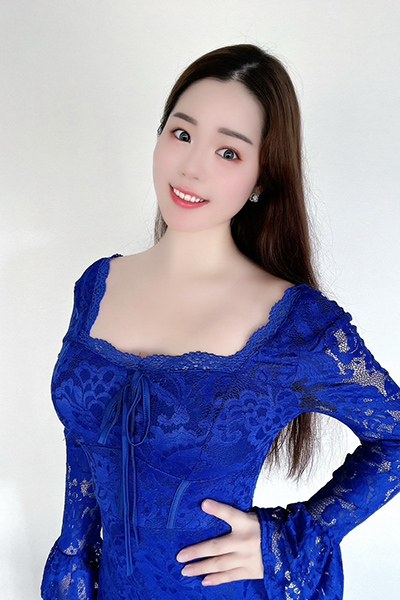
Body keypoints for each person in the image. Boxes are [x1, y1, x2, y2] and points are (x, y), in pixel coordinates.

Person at [40, 44, 400, 600]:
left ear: (261, 177)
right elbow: (84, 441)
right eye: (182, 134)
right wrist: (71, 554)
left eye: (228, 152)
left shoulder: (297, 326)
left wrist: (292, 537)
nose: (192, 166)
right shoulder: (97, 287)